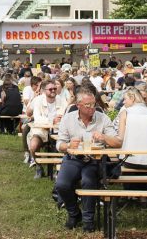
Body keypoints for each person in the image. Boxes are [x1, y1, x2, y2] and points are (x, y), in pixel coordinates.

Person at [54, 88, 116, 233]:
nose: (92, 108)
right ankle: (74, 214)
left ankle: (88, 220)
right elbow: (59, 144)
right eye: (88, 105)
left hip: (95, 160)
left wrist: (104, 137)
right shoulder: (68, 119)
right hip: (73, 158)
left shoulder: (103, 118)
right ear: (78, 105)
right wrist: (69, 145)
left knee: (89, 181)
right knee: (62, 185)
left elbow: (117, 142)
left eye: (93, 104)